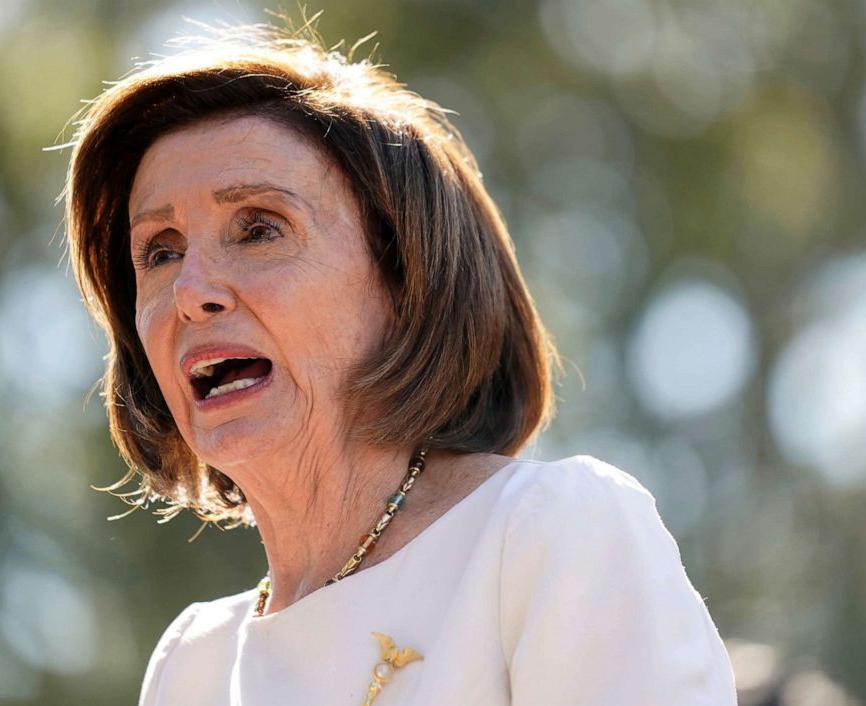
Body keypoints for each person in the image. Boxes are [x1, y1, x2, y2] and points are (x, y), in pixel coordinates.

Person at [63, 20, 737, 706]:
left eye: (259, 228)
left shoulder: (551, 536)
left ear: (404, 280)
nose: (190, 292)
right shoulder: (192, 668)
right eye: (161, 250)